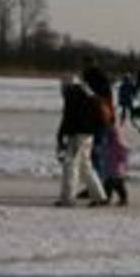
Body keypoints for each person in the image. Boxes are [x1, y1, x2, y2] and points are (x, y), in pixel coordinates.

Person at [55, 77, 107, 207]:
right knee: (86, 166)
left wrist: (60, 136)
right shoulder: (88, 94)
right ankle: (100, 196)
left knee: (71, 166)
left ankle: (68, 198)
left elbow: (67, 118)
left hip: (76, 136)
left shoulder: (72, 96)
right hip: (88, 135)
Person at [97, 122, 130, 207]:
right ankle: (113, 198)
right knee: (112, 184)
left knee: (115, 184)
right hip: (111, 166)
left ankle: (118, 199)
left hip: (116, 167)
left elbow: (124, 152)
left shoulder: (117, 143)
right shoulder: (109, 141)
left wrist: (122, 161)